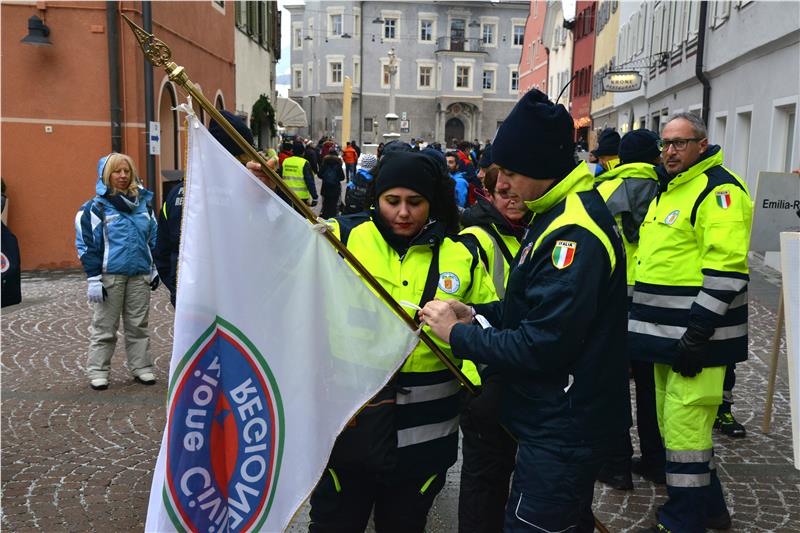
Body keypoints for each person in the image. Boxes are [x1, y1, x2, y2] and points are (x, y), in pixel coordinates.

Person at [420, 89, 630, 532]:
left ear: (543, 166)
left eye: (512, 172)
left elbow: (542, 345)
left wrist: (458, 335)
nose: (502, 184)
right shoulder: (552, 212)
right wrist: (476, 312)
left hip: (565, 424)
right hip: (553, 417)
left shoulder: (573, 234)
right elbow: (530, 307)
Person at [304, 151, 497, 533]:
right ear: (376, 197)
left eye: (415, 202)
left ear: (433, 201)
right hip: (347, 437)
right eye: (392, 201)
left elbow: (486, 331)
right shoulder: (340, 238)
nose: (403, 213)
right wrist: (255, 195)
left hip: (424, 446)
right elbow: (276, 253)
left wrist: (480, 385)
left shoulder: (462, 255)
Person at [631, 112, 752, 533]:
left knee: (685, 431)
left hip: (698, 341)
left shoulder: (719, 191)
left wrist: (699, 332)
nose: (669, 151)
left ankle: (683, 520)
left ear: (702, 144)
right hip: (665, 339)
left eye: (679, 143)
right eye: (665, 143)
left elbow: (727, 269)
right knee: (678, 430)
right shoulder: (671, 189)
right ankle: (713, 510)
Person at [457, 164, 530, 533]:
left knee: (510, 471)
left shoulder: (529, 234)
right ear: (488, 194)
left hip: (517, 366)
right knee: (484, 479)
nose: (513, 201)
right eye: (504, 194)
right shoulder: (474, 239)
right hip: (486, 375)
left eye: (519, 194)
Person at [593, 129, 663, 491]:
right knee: (654, 385)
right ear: (656, 156)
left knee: (613, 382)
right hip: (658, 299)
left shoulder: (603, 190)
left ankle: (616, 464)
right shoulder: (670, 190)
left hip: (614, 299)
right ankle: (656, 460)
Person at [153, 111, 256, 307]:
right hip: (229, 299)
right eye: (243, 159)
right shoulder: (241, 192)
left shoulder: (178, 191)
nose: (246, 166)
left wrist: (178, 289)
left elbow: (162, 253)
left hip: (189, 298)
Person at [75, 153, 159, 390]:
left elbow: (154, 238)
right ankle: (98, 370)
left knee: (138, 326)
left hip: (139, 275)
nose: (122, 176)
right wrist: (93, 278)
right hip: (109, 276)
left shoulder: (144, 205)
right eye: (116, 171)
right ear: (106, 175)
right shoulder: (95, 208)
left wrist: (154, 268)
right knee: (104, 328)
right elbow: (86, 245)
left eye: (126, 171)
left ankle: (142, 367)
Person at [280, 143, 318, 207]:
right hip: (301, 197)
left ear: (292, 151)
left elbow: (280, 177)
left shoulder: (285, 161)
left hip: (287, 194)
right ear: (303, 152)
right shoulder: (304, 163)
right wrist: (314, 197)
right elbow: (309, 181)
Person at [319, 148, 346, 218]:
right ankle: (333, 217)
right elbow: (342, 177)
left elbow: (319, 175)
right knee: (334, 205)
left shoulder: (324, 163)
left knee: (325, 204)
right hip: (335, 188)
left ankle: (325, 217)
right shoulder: (338, 164)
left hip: (325, 188)